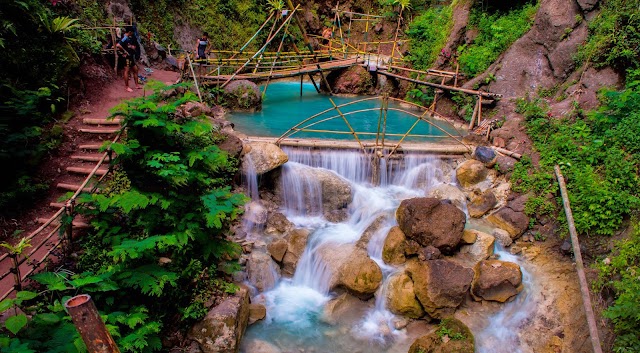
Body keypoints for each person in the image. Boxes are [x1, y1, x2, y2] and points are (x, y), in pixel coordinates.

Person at [116, 27, 141, 92]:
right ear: (130, 32)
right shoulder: (125, 38)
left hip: (131, 56)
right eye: (132, 32)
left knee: (135, 69)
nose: (132, 34)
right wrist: (125, 51)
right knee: (126, 70)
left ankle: (137, 85)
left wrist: (132, 48)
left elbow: (129, 46)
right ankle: (127, 87)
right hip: (126, 57)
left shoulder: (130, 38)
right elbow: (118, 45)